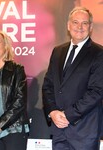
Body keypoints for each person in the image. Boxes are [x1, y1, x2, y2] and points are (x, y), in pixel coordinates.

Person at [42, 7, 103, 150]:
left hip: (85, 131)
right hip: (59, 131)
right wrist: (53, 112)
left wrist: (68, 115)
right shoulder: (58, 51)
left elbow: (96, 91)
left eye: (85, 23)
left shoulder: (98, 53)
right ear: (68, 26)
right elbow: (48, 85)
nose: (80, 27)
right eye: (75, 22)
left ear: (91, 27)